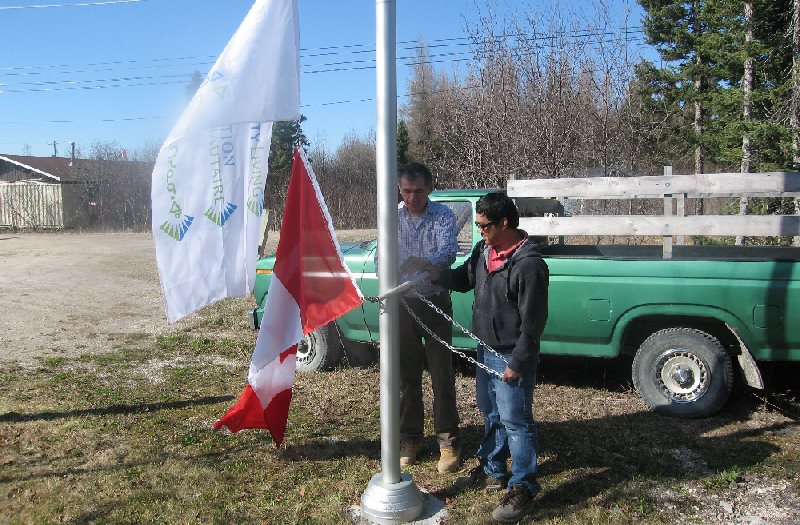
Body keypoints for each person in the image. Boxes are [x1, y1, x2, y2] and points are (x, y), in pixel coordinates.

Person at [426, 191, 549, 523]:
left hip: (511, 355)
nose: (478, 231)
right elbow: (465, 279)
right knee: (491, 413)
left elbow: (534, 324)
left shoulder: (529, 265)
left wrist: (518, 363)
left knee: (516, 422)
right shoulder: (485, 251)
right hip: (486, 349)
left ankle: (523, 487)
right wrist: (437, 274)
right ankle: (493, 471)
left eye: (483, 226)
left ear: (503, 223)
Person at [391, 162, 462, 474]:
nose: (412, 197)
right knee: (407, 376)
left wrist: (423, 263)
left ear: (429, 189)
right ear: (399, 189)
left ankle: (447, 442)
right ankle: (410, 439)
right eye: (406, 191)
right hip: (403, 306)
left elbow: (448, 252)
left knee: (441, 374)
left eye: (418, 191)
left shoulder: (443, 215)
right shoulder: (391, 216)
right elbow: (384, 257)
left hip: (435, 304)